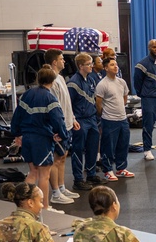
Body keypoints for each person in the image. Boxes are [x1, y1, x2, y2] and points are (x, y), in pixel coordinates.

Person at [11, 65, 68, 213]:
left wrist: (17, 134)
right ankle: (45, 208)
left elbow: (17, 115)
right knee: (44, 175)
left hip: (27, 138)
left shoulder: (27, 94)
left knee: (32, 173)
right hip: (41, 140)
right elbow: (58, 119)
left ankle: (22, 207)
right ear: (53, 81)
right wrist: (62, 134)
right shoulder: (50, 98)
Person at [43, 49, 79, 205]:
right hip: (58, 126)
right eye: (62, 59)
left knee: (63, 157)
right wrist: (57, 127)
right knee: (56, 160)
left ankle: (62, 187)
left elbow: (66, 102)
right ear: (54, 62)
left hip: (68, 124)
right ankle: (55, 192)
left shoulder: (61, 79)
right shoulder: (52, 82)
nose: (64, 61)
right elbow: (53, 107)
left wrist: (73, 118)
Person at [68, 52, 105, 191]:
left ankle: (91, 174)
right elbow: (68, 104)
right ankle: (78, 179)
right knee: (78, 150)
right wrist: (73, 119)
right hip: (80, 120)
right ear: (80, 66)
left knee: (93, 148)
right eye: (88, 64)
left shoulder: (90, 80)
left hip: (91, 118)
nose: (91, 66)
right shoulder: (73, 83)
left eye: (91, 63)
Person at [94, 58, 135, 181]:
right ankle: (107, 170)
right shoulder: (102, 84)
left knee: (123, 144)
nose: (115, 66)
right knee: (108, 147)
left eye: (116, 64)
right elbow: (98, 104)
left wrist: (119, 109)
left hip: (122, 119)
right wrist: (106, 114)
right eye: (112, 65)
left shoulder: (122, 82)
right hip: (109, 120)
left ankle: (121, 168)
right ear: (106, 68)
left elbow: (125, 97)